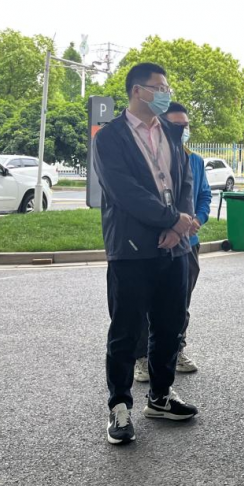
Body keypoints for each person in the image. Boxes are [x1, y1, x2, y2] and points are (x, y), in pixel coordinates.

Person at [93, 62, 199, 446]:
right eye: (160, 87)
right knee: (126, 331)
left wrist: (179, 226)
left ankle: (160, 397)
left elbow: (184, 182)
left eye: (167, 87)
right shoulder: (110, 138)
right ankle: (120, 407)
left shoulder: (170, 133)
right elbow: (124, 191)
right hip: (132, 249)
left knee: (170, 326)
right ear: (138, 90)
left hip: (174, 249)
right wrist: (171, 220)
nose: (165, 93)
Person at [132, 102, 210, 383]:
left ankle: (176, 349)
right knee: (145, 302)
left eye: (185, 126)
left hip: (188, 243)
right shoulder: (147, 157)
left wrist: (196, 219)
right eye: (176, 126)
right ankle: (142, 357)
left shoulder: (195, 160)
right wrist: (172, 225)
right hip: (155, 242)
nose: (182, 131)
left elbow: (203, 196)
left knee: (179, 302)